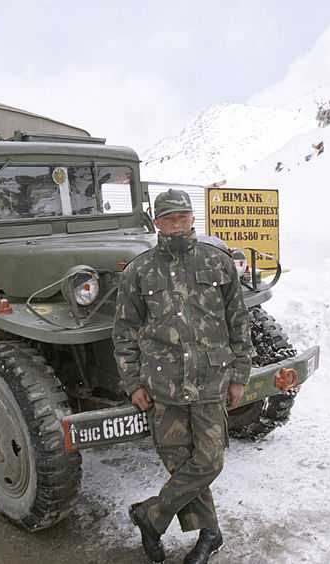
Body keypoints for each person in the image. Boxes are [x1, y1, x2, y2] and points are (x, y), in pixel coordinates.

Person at [113, 189, 253, 564]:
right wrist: (133, 384)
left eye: (183, 218)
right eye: (169, 219)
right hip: (164, 384)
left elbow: (238, 321)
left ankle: (151, 515)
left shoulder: (217, 261)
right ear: (156, 223)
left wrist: (239, 375)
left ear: (193, 219)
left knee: (209, 461)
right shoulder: (140, 270)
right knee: (179, 462)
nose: (177, 225)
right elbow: (125, 332)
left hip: (210, 380)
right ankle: (210, 534)